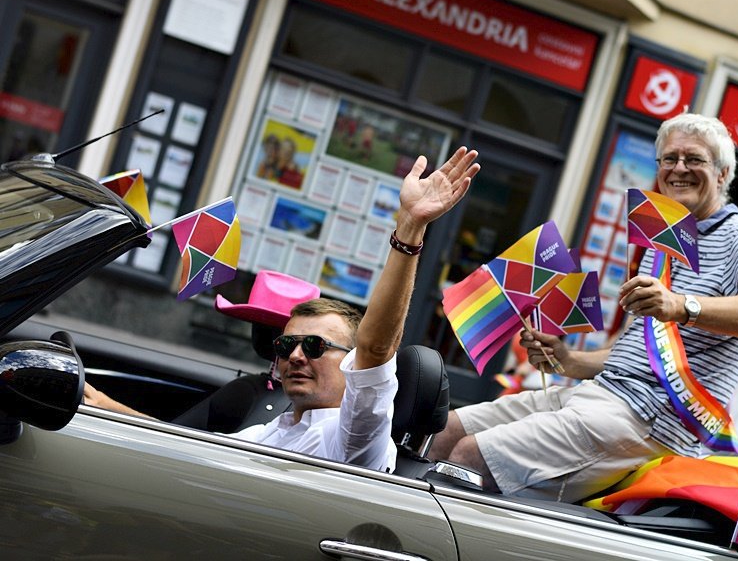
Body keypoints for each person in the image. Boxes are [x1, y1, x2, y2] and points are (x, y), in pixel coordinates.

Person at [430, 113, 738, 503]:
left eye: (694, 159)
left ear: (722, 174)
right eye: (669, 159)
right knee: (443, 431)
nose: (678, 168)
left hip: (652, 420)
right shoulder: (666, 242)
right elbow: (643, 356)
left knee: (470, 455)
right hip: (602, 395)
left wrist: (680, 304)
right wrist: (568, 360)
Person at [85, 146, 480, 472]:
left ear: (352, 364)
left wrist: (409, 228)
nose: (294, 355)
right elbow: (192, 451)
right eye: (285, 345)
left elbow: (377, 348)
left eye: (313, 346)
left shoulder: (356, 435)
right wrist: (103, 405)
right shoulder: (279, 427)